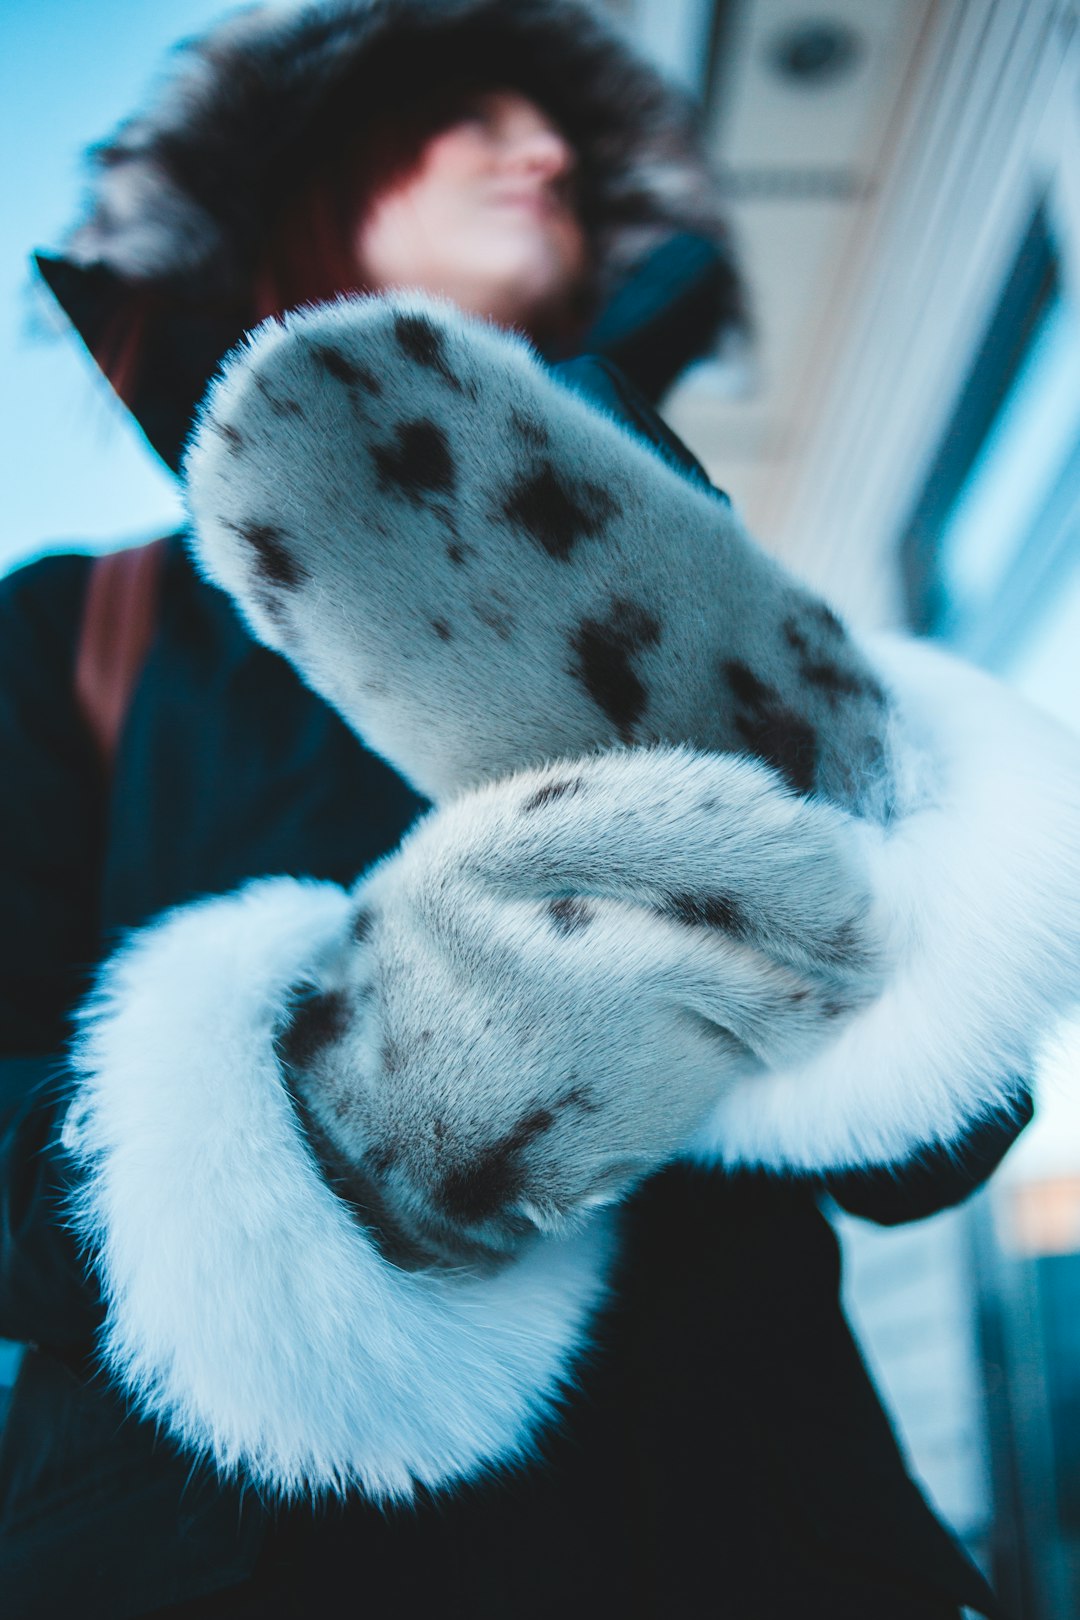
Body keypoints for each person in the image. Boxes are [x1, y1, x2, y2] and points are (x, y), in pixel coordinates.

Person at [0, 2, 1027, 1616]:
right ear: (301, 197)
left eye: (551, 130)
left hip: (754, 1534)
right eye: (466, 121)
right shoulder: (70, 633)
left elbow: (934, 1148)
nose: (539, 152)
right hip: (257, 1563)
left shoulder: (696, 562)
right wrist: (360, 1123)